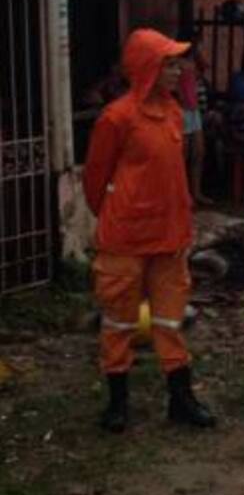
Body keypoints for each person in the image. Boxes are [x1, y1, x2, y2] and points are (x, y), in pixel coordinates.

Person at [82, 28, 216, 434]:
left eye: (178, 63)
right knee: (120, 323)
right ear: (147, 68)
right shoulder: (116, 117)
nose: (178, 70)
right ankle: (118, 404)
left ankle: (181, 399)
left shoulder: (175, 111)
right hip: (125, 239)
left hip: (170, 238)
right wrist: (120, 216)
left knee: (170, 322)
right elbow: (94, 182)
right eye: (170, 63)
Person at [177, 45, 213, 205]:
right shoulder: (179, 63)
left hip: (194, 110)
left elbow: (205, 66)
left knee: (198, 152)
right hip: (183, 109)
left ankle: (196, 192)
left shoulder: (193, 63)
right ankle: (182, 192)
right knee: (182, 154)